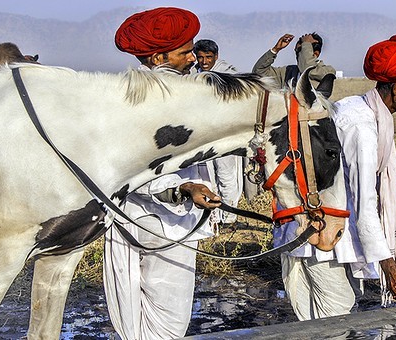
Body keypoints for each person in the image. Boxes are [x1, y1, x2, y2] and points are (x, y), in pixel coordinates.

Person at [272, 34, 396, 321]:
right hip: (321, 225)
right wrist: (389, 265)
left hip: (337, 221)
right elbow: (364, 196)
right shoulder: (362, 125)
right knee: (337, 307)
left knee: (339, 303)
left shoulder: (368, 111)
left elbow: (359, 176)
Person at [104, 7, 223, 339]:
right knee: (169, 325)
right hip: (167, 225)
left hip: (129, 219)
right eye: (185, 53)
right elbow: (136, 165)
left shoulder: (123, 93)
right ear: (158, 58)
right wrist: (184, 187)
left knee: (134, 321)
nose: (192, 60)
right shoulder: (167, 97)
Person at [192, 38, 243, 228]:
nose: (204, 61)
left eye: (208, 57)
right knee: (206, 174)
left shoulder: (228, 75)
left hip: (224, 133)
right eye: (201, 57)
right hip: (202, 133)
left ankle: (229, 218)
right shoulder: (192, 74)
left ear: (216, 56)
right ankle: (212, 218)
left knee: (226, 174)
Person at [252, 32, 336, 97]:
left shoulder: (327, 72)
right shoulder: (289, 72)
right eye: (297, 51)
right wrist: (275, 49)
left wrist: (305, 44)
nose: (298, 56)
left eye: (302, 51)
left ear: (316, 54)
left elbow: (307, 70)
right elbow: (258, 72)